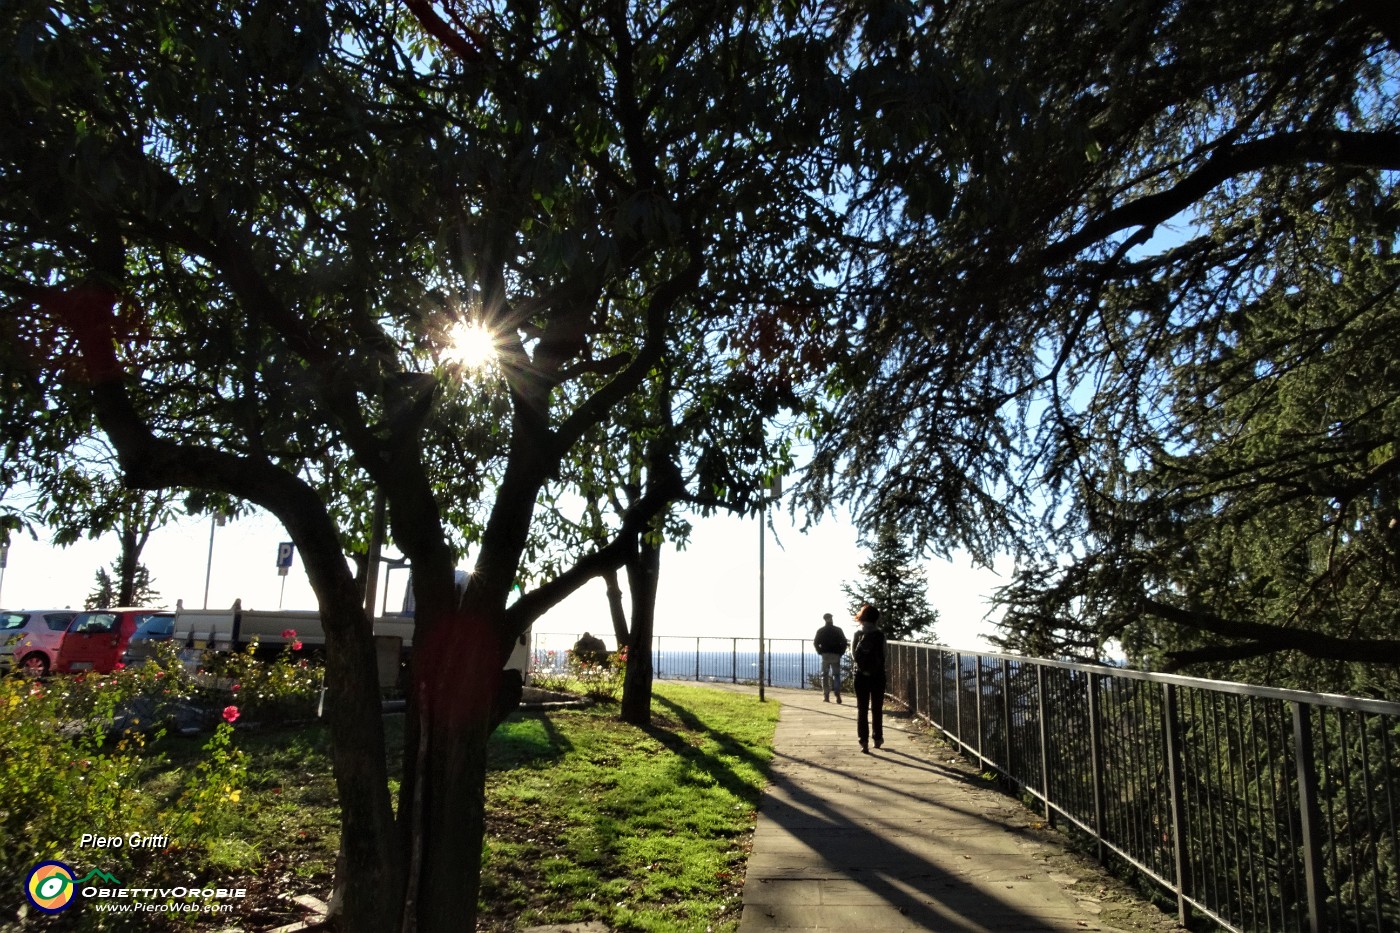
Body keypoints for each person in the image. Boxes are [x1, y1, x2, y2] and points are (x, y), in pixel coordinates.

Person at [850, 603, 886, 753]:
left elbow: (853, 654)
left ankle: (863, 741)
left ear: (862, 617)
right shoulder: (880, 634)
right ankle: (877, 739)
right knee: (877, 709)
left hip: (860, 676)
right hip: (878, 675)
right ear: (876, 617)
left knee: (862, 709)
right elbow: (884, 655)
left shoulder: (858, 633)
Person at [812, 612, 848, 703]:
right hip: (836, 654)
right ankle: (837, 692)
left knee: (824, 675)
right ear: (831, 618)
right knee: (836, 675)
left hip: (825, 654)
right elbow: (844, 642)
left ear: (824, 619)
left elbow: (816, 643)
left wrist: (820, 651)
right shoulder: (838, 630)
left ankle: (826, 695)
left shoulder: (820, 630)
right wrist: (841, 652)